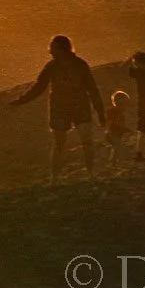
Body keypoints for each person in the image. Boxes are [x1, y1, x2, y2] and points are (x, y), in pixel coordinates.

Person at [9, 34, 106, 181]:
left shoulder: (72, 65)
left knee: (69, 143)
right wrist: (20, 101)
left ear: (60, 49)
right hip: (68, 107)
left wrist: (100, 112)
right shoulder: (60, 65)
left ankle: (82, 175)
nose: (49, 51)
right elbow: (40, 87)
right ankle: (61, 176)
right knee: (71, 143)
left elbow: (92, 88)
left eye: (52, 48)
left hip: (70, 107)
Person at [103, 89, 133, 163]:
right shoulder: (112, 112)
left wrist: (128, 131)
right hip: (111, 134)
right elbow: (109, 123)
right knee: (117, 146)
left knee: (116, 146)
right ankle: (113, 161)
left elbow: (122, 126)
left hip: (118, 134)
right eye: (124, 104)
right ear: (119, 103)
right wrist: (107, 131)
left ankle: (114, 161)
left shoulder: (121, 114)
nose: (125, 106)